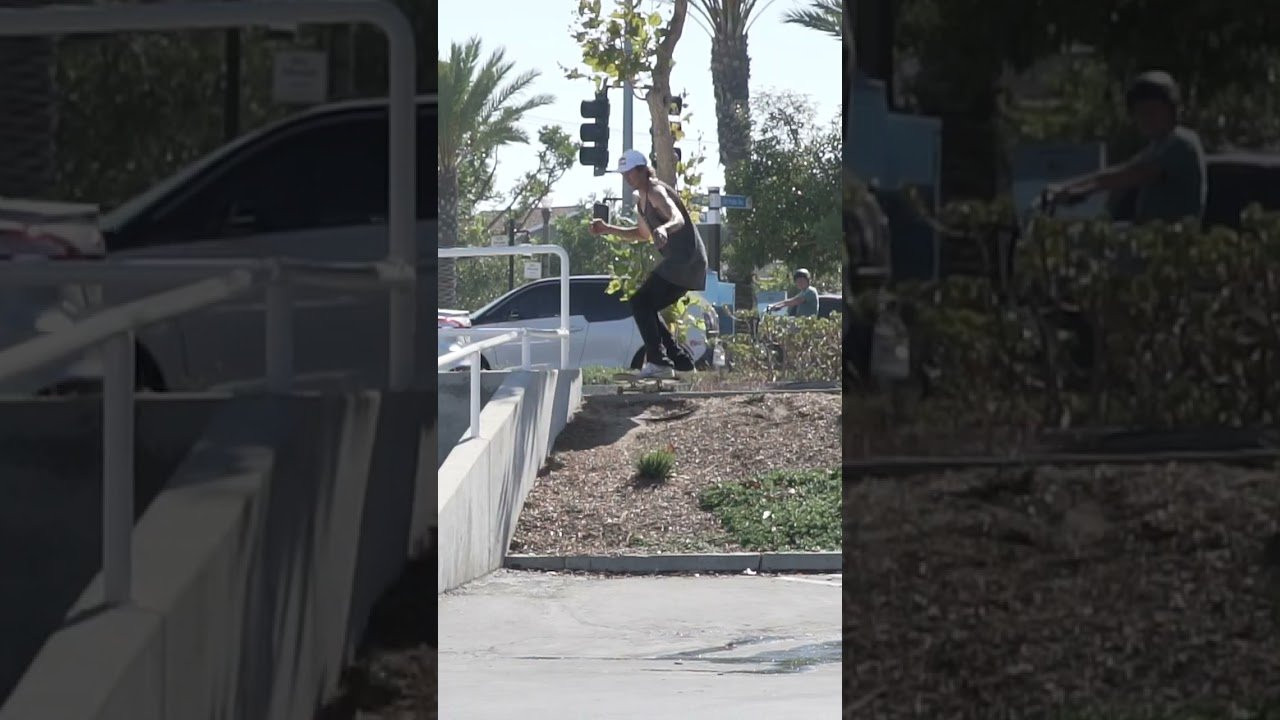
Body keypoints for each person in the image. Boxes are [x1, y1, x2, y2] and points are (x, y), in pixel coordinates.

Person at [589, 149, 708, 379]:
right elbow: (642, 234)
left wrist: (664, 228)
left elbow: (677, 218)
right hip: (683, 263)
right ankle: (681, 363)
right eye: (623, 174)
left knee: (641, 302)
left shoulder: (655, 191)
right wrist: (607, 229)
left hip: (686, 260)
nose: (627, 178)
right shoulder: (641, 201)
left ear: (643, 170)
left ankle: (658, 361)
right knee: (645, 305)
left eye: (630, 173)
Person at [1048, 70, 1206, 226]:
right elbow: (1122, 170)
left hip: (1174, 236)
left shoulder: (1182, 143)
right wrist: (1067, 186)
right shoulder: (1158, 145)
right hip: (1148, 231)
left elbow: (1132, 175)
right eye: (1140, 112)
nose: (1146, 118)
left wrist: (1084, 190)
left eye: (1153, 111)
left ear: (1171, 110)